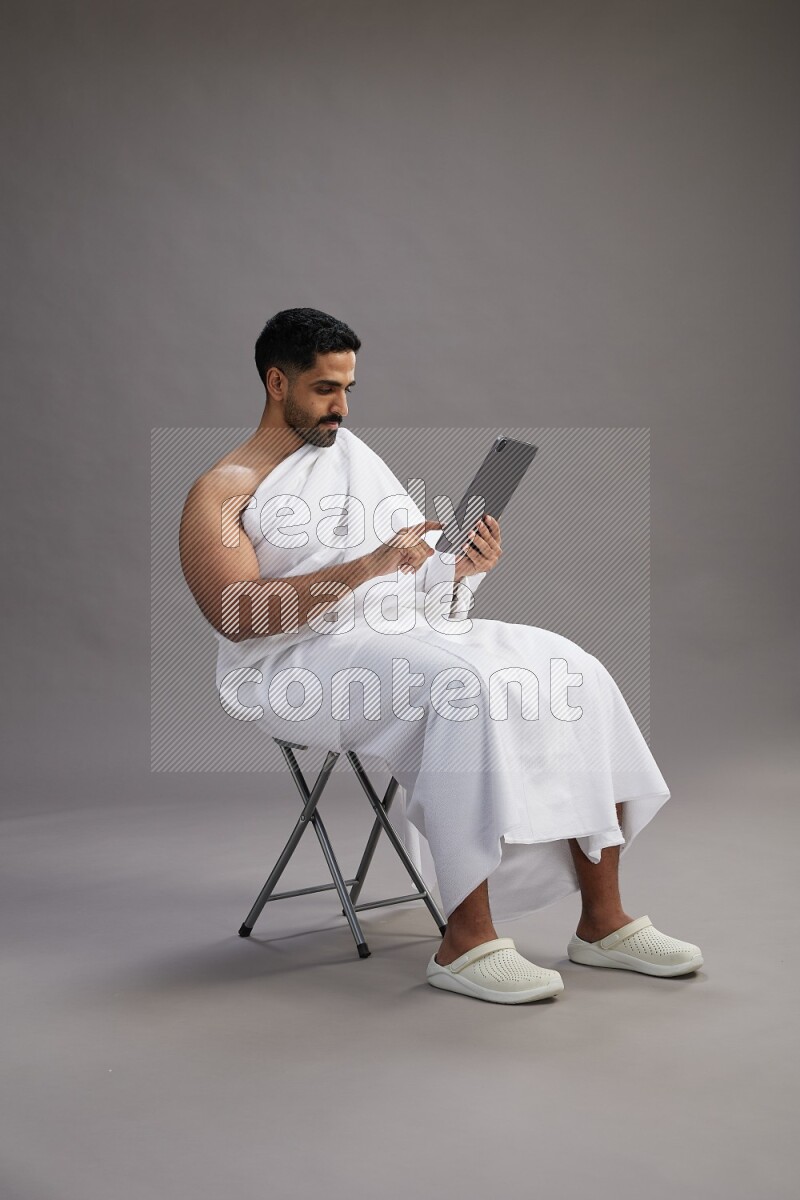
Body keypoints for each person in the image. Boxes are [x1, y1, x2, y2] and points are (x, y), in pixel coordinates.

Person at [179, 307, 703, 1005]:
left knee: (571, 667)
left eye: (348, 389)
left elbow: (405, 586)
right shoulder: (222, 490)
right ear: (277, 382)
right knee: (461, 687)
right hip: (297, 664)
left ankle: (602, 922)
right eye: (324, 389)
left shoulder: (351, 459)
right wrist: (367, 566)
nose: (340, 407)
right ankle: (466, 939)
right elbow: (237, 614)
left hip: (388, 634)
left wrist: (453, 570)